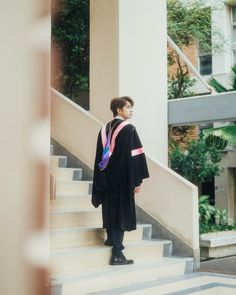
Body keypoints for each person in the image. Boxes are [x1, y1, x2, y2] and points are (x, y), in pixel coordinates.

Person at [92, 96, 149, 265]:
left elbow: (98, 158)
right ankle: (118, 253)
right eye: (128, 107)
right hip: (123, 180)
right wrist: (137, 181)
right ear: (119, 110)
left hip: (107, 180)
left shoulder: (103, 129)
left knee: (110, 209)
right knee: (121, 213)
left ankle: (110, 239)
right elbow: (135, 156)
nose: (131, 110)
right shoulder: (129, 129)